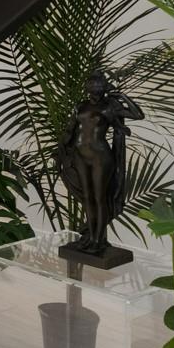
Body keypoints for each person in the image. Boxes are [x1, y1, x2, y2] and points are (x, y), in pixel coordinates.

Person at [57, 71, 145, 256]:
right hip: (80, 156)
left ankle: (98, 239)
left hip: (100, 157)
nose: (93, 88)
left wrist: (122, 96)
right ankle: (90, 236)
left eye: (97, 84)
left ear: (104, 87)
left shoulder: (110, 107)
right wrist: (61, 150)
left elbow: (138, 115)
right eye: (90, 84)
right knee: (88, 198)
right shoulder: (80, 106)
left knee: (99, 198)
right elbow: (69, 129)